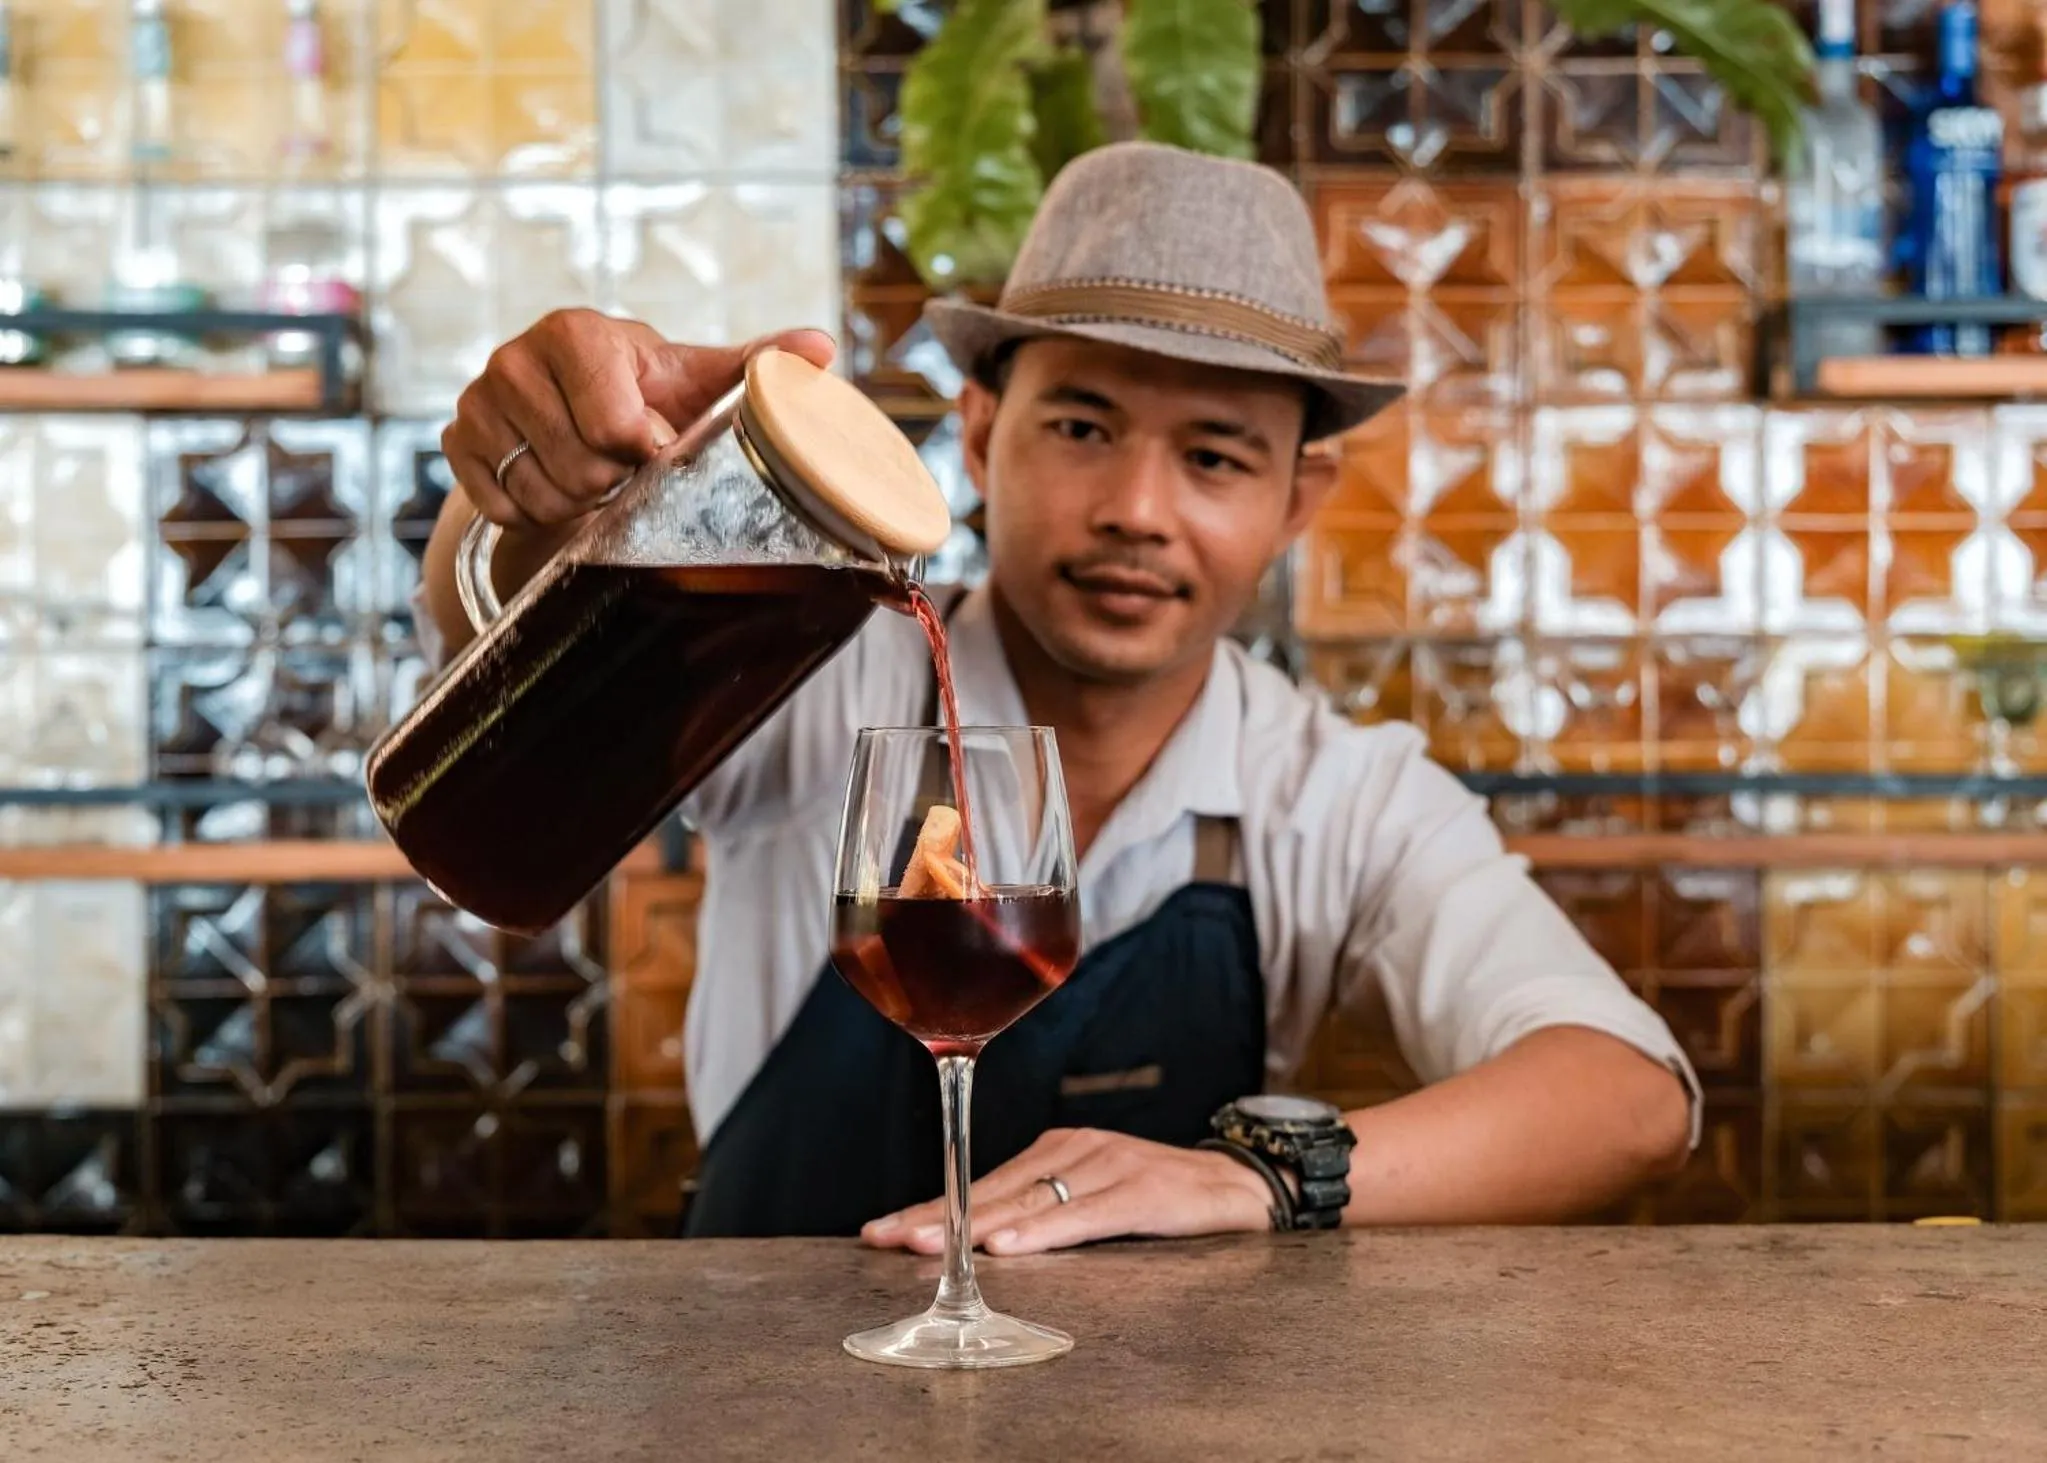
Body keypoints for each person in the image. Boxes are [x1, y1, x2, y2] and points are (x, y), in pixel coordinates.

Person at [416, 142, 1697, 1252]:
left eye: (1212, 456)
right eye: (1080, 428)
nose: (1136, 511)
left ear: (1294, 502)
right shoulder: (809, 670)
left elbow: (1631, 1096)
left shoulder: (1334, 794)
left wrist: (1257, 1176)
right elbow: (507, 623)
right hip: (751, 1387)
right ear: (979, 436)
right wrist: (529, 481)